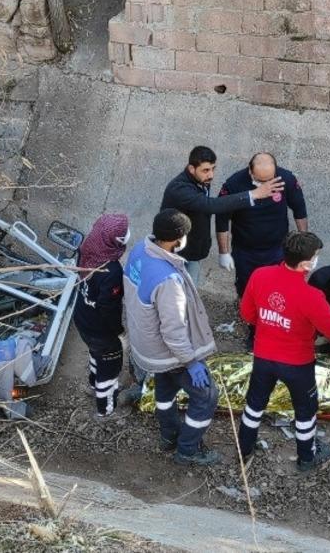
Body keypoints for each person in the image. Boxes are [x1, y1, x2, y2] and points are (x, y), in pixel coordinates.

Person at [236, 231, 330, 472]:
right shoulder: (311, 296)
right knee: (305, 411)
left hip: (263, 356)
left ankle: (244, 447)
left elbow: (247, 314)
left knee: (254, 404)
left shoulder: (260, 275)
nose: (317, 260)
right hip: (297, 363)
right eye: (315, 256)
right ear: (306, 263)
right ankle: (306, 457)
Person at [122, 209, 220, 467]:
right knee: (206, 397)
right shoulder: (168, 281)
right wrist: (190, 362)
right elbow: (174, 331)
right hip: (170, 353)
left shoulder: (139, 253)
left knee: (165, 391)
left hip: (147, 347)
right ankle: (187, 449)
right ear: (177, 239)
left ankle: (168, 436)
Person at [216, 152, 308, 349]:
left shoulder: (287, 180)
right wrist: (223, 251)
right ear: (250, 171)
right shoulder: (234, 184)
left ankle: (275, 328)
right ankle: (253, 328)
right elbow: (222, 218)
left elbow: (299, 209)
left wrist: (304, 244)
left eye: (269, 180)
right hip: (246, 251)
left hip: (276, 249)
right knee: (248, 291)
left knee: (278, 292)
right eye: (261, 180)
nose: (266, 185)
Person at [161, 146, 283, 287]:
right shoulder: (180, 189)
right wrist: (253, 194)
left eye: (213, 168)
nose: (211, 175)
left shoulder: (200, 180)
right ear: (191, 169)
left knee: (190, 292)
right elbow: (210, 205)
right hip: (175, 252)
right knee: (176, 294)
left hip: (191, 251)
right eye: (206, 170)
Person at [72, 213, 131, 418]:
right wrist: (119, 333)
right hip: (101, 329)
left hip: (82, 318)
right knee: (110, 365)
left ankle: (93, 384)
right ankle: (105, 410)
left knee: (95, 353)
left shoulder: (87, 248)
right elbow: (109, 308)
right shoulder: (112, 271)